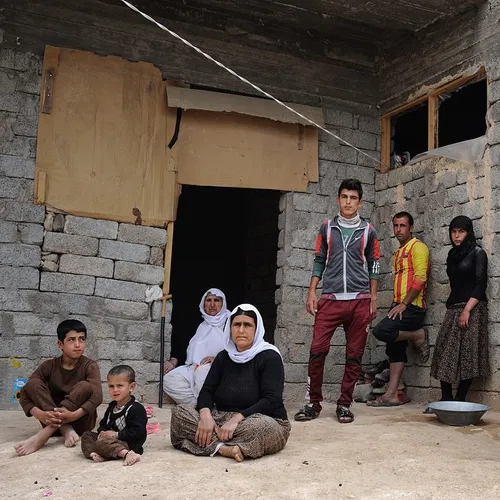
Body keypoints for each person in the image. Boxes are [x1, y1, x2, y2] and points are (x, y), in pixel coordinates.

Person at [294, 178, 380, 424]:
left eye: (353, 198)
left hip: (360, 300)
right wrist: (312, 291)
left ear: (360, 202)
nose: (348, 202)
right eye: (344, 197)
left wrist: (373, 297)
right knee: (317, 350)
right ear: (338, 199)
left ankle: (344, 404)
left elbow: (374, 264)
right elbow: (319, 259)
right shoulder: (327, 227)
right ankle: (313, 403)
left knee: (354, 355)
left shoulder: (368, 231)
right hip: (330, 299)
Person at [170, 304, 290, 462]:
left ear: (257, 329)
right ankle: (224, 448)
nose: (241, 330)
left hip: (257, 419)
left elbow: (271, 400)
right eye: (236, 324)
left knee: (262, 427)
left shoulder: (269, 356)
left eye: (247, 325)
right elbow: (206, 391)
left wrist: (236, 420)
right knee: (180, 413)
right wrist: (206, 416)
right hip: (221, 418)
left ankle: (210, 443)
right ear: (230, 328)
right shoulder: (223, 357)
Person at [15, 319, 103, 456]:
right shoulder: (49, 366)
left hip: (80, 423)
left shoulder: (89, 366)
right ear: (60, 344)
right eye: (71, 340)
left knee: (85, 386)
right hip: (48, 418)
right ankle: (64, 428)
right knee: (32, 384)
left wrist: (73, 415)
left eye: (82, 339)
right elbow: (24, 393)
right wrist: (41, 414)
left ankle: (42, 436)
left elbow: (97, 396)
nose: (78, 344)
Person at [368, 212, 430, 407]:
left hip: (413, 307)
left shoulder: (418, 248)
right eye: (395, 226)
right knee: (394, 348)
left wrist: (404, 304)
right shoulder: (399, 252)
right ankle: (392, 393)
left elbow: (420, 278)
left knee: (381, 330)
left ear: (411, 227)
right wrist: (395, 304)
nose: (398, 230)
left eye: (402, 226)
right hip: (399, 306)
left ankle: (417, 335)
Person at [429, 216, 489, 403]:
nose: (456, 236)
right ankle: (446, 400)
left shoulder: (478, 253)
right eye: (454, 231)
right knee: (444, 351)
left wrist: (467, 310)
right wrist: (457, 308)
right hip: (453, 307)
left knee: (468, 355)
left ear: (468, 232)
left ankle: (460, 400)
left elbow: (480, 285)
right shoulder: (451, 255)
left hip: (473, 308)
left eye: (461, 231)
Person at [163, 288, 230, 404]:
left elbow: (237, 348)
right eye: (208, 300)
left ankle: (206, 405)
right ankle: (200, 404)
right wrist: (175, 359)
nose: (212, 304)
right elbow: (183, 342)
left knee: (202, 372)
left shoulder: (230, 322)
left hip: (217, 367)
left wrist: (216, 359)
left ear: (222, 303)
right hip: (193, 366)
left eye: (217, 300)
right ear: (203, 304)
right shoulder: (199, 323)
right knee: (169, 379)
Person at [81, 365, 147, 466]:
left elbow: (138, 432)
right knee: (87, 436)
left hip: (129, 443)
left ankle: (128, 454)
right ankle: (98, 454)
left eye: (120, 386)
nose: (115, 390)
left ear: (131, 387)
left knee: (102, 443)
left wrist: (116, 435)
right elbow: (104, 423)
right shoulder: (112, 406)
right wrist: (101, 432)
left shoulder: (135, 408)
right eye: (111, 386)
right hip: (110, 440)